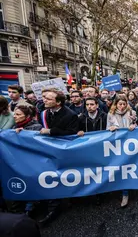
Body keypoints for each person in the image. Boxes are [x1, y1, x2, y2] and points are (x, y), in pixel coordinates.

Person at [38, 90, 78, 225]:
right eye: (44, 98)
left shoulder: (70, 115)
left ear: (58, 102)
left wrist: (51, 131)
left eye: (48, 99)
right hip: (46, 150)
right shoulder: (44, 113)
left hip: (63, 151)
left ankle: (57, 206)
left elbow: (71, 133)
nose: (44, 100)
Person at [8, 105, 42, 216]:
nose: (15, 116)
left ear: (27, 116)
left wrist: (23, 135)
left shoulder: (36, 127)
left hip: (31, 161)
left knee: (31, 183)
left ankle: (30, 207)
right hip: (18, 161)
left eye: (18, 114)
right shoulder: (14, 127)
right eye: (15, 113)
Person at [107, 97, 136, 208]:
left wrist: (134, 125)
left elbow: (137, 125)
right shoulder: (110, 114)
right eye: (120, 104)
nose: (122, 106)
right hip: (116, 145)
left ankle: (125, 193)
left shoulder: (132, 112)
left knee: (127, 167)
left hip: (129, 145)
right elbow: (106, 129)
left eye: (124, 104)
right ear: (116, 104)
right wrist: (111, 128)